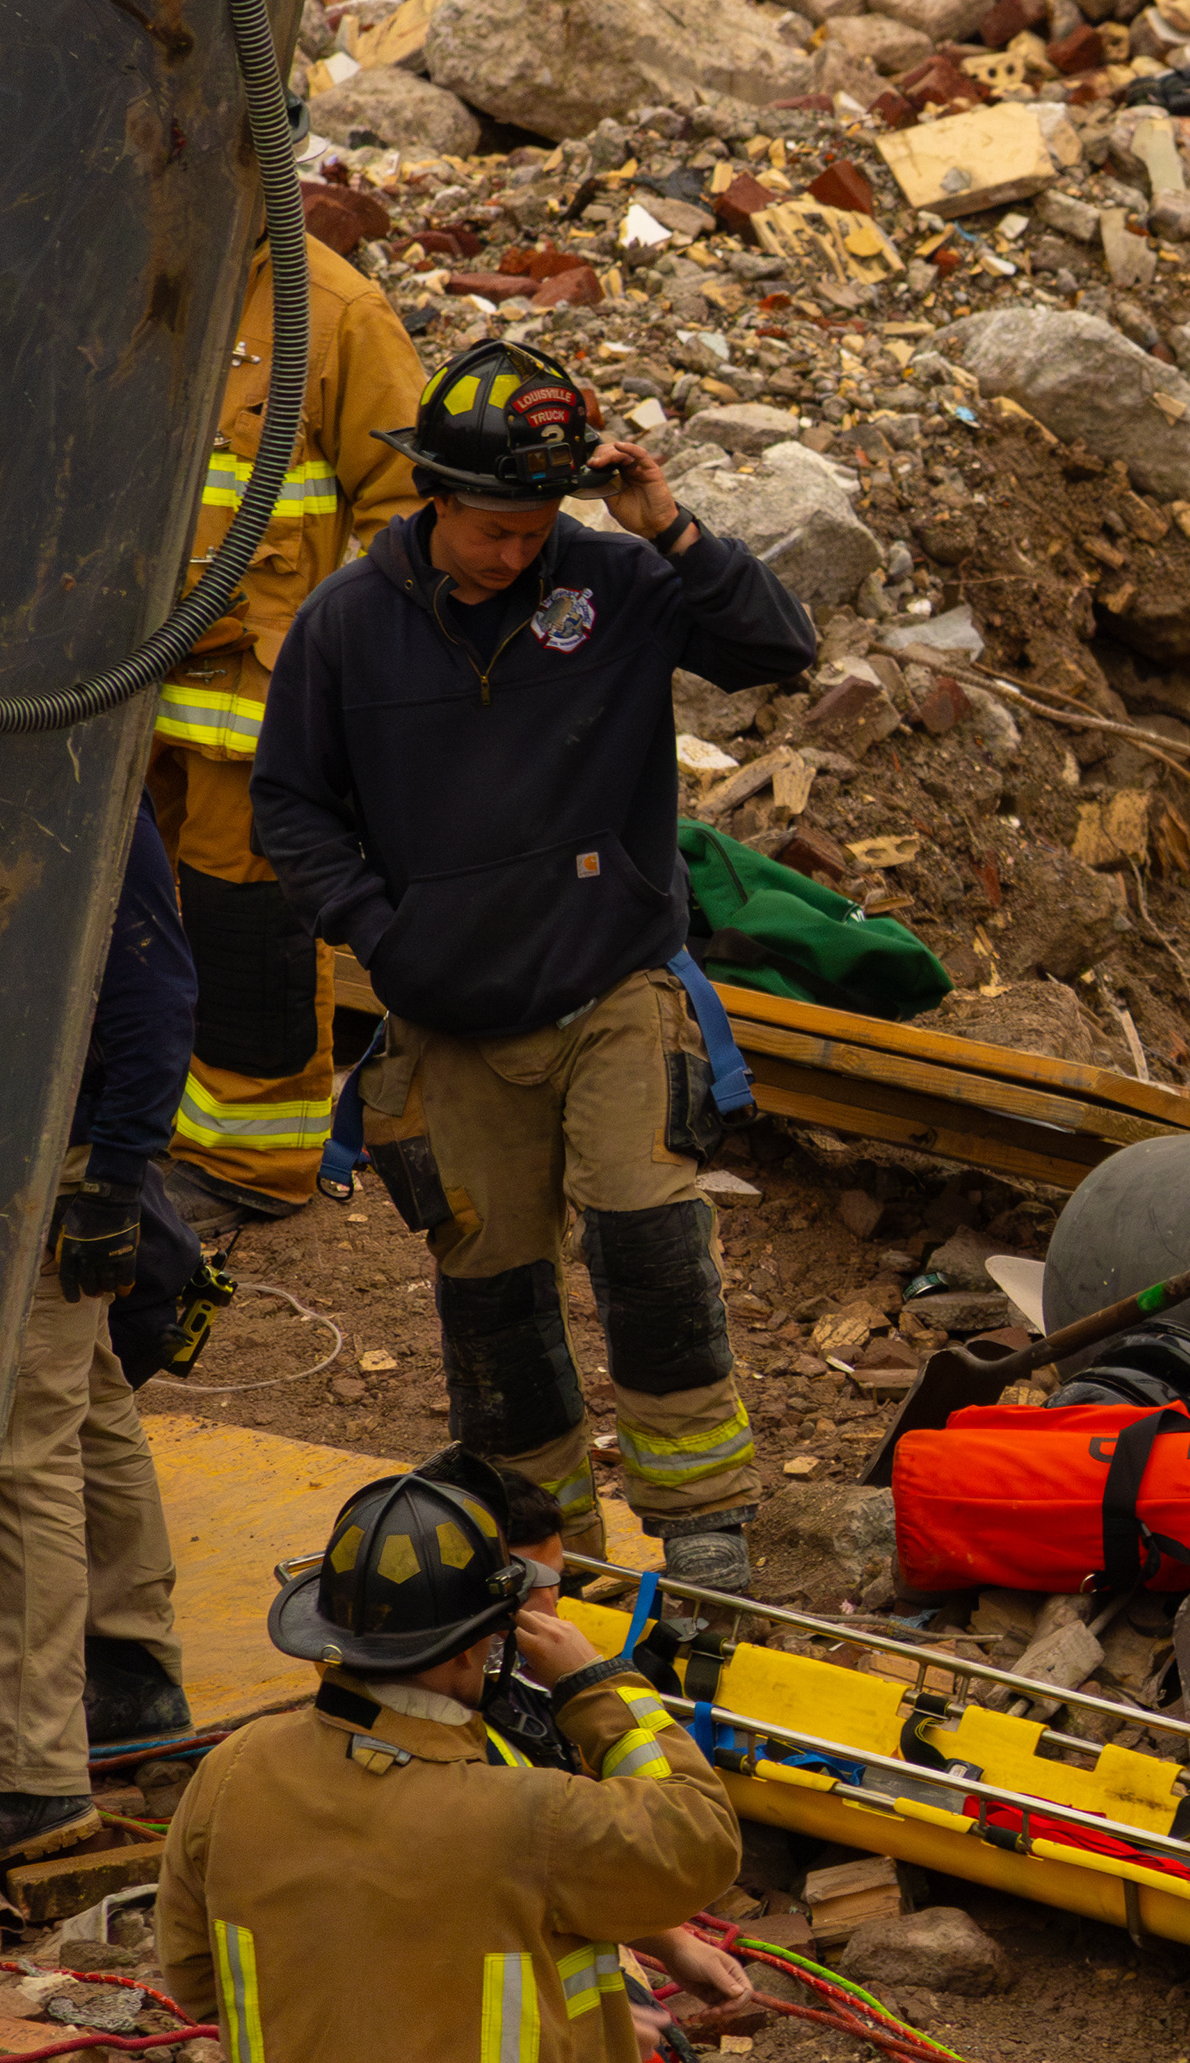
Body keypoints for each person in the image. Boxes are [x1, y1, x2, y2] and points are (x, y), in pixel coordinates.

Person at [251, 341, 818, 1589]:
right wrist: (381, 929)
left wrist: (667, 528)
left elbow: (780, 651)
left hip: (611, 983)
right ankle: (540, 1538)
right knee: (494, 1293)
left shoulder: (613, 580)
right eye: (495, 529)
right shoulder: (349, 625)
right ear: (433, 498)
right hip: (449, 1020)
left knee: (648, 1238)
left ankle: (705, 1523)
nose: (519, 552)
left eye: (536, 526)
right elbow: (290, 805)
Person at [158, 1468, 742, 2059]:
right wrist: (594, 1684)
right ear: (474, 1643)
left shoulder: (233, 1767)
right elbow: (702, 1838)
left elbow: (194, 1975)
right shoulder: (529, 1810)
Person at [151, 237, 427, 1224]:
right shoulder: (99, 254)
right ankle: (117, 1130)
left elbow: (412, 524)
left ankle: (242, 1166)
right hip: (115, 705)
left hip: (257, 713)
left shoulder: (335, 312)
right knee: (116, 926)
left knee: (245, 937)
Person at [0, 798, 200, 1869]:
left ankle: (28, 1769)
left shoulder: (63, 773)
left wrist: (112, 1177)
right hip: (23, 1135)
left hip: (47, 1154)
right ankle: (130, 1669)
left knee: (17, 1455)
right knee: (88, 1401)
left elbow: (155, 990)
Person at [412, 1446, 760, 2040]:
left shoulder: (480, 1698)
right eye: (541, 1583)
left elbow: (551, 1871)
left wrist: (671, 1944)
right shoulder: (449, 1756)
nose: (555, 1604)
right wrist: (593, 1684)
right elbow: (692, 1840)